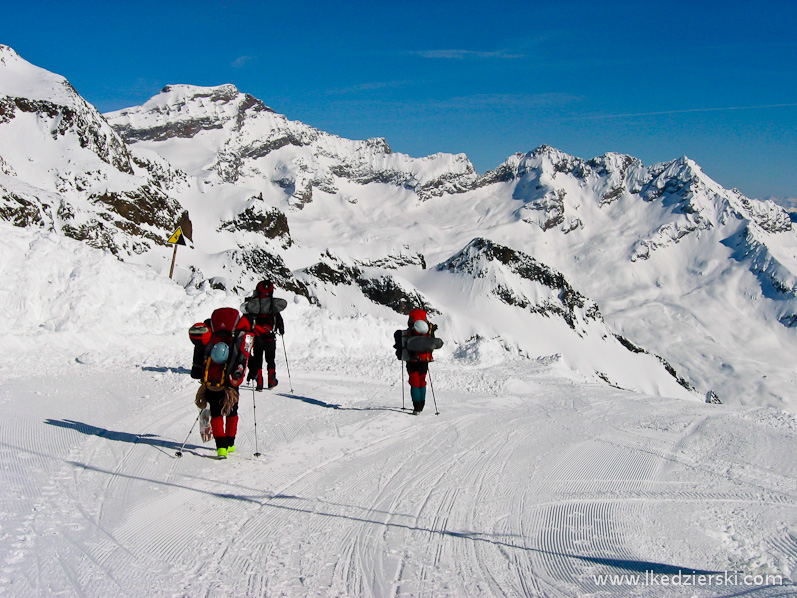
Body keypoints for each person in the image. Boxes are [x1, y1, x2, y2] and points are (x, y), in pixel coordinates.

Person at [189, 307, 254, 458]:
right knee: (232, 412)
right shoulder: (240, 334)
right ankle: (230, 444)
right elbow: (245, 354)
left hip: (211, 381)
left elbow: (200, 352)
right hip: (231, 383)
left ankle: (221, 448)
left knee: (216, 413)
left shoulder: (210, 333)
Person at [243, 279, 285, 391]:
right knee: (270, 359)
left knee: (258, 359)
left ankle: (259, 383)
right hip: (270, 336)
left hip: (257, 336)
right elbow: (278, 318)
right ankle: (271, 381)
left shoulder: (254, 304)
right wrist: (281, 329)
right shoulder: (273, 305)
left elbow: (248, 317)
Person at [403, 309, 440, 414]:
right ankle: (421, 404)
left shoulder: (410, 332)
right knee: (421, 381)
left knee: (414, 382)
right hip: (424, 360)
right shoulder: (428, 331)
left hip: (412, 361)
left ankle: (417, 407)